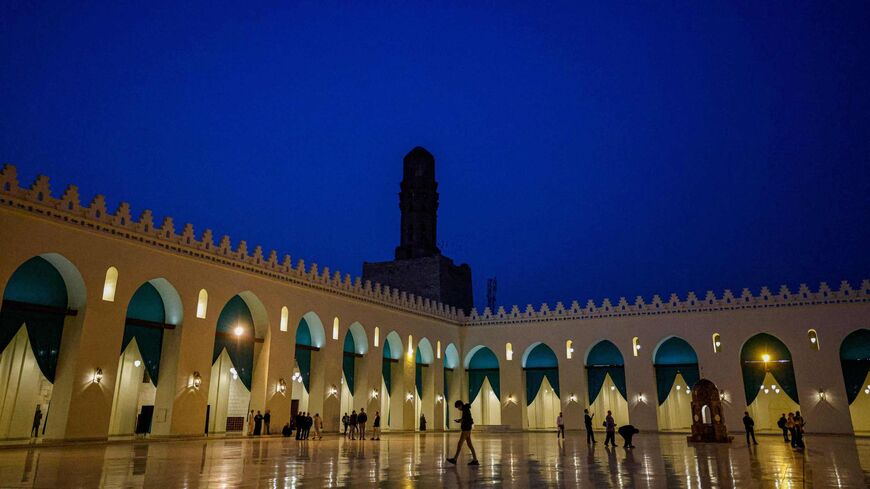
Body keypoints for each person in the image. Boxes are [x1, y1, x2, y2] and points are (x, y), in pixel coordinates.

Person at [447, 400, 479, 466]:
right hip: (467, 428)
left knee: (460, 444)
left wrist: (461, 421)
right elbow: (465, 418)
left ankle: (455, 459)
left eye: (458, 407)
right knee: (470, 445)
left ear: (460, 405)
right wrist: (459, 420)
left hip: (466, 429)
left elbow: (467, 419)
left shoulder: (465, 410)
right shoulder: (465, 409)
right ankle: (475, 460)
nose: (458, 409)